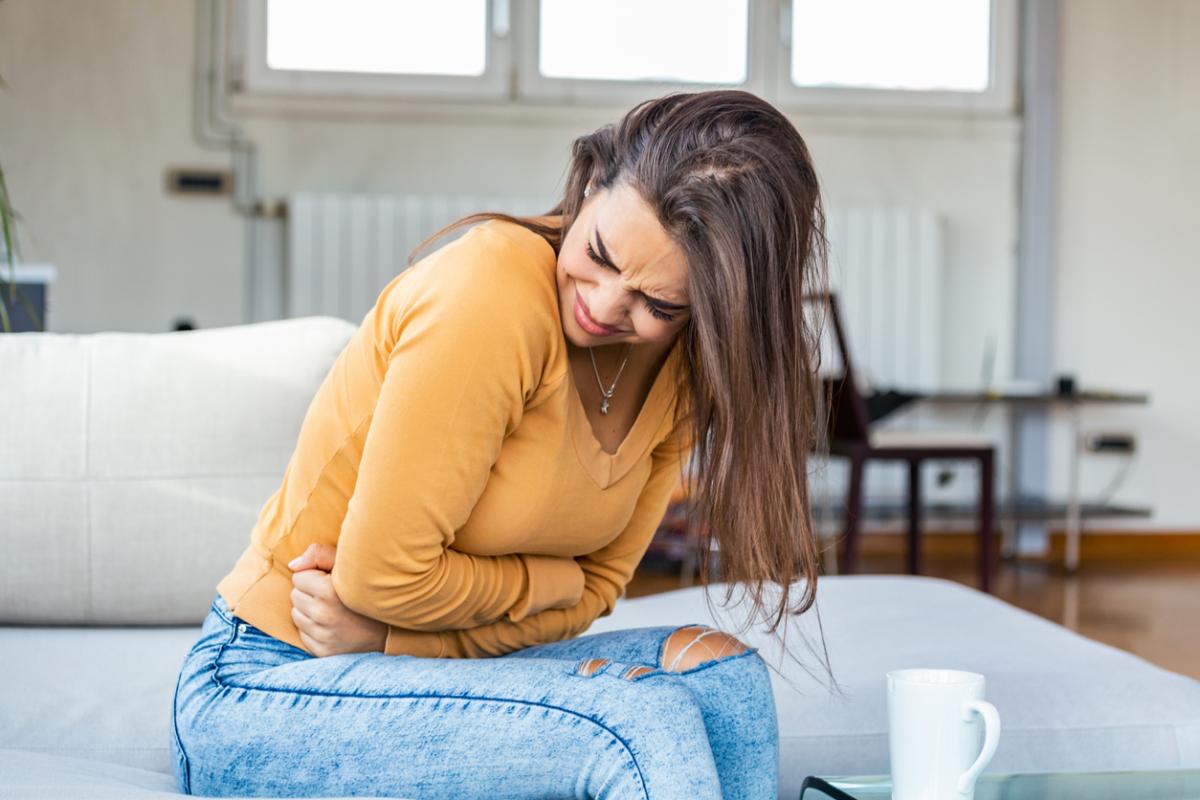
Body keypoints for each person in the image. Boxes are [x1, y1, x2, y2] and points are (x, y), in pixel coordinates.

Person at [170, 88, 831, 799]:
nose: (603, 305)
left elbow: (598, 592)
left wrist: (397, 640)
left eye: (658, 305)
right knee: (641, 723)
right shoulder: (489, 289)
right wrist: (552, 583)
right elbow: (382, 580)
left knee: (726, 679)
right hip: (273, 679)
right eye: (599, 253)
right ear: (591, 185)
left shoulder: (687, 368)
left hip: (417, 663)